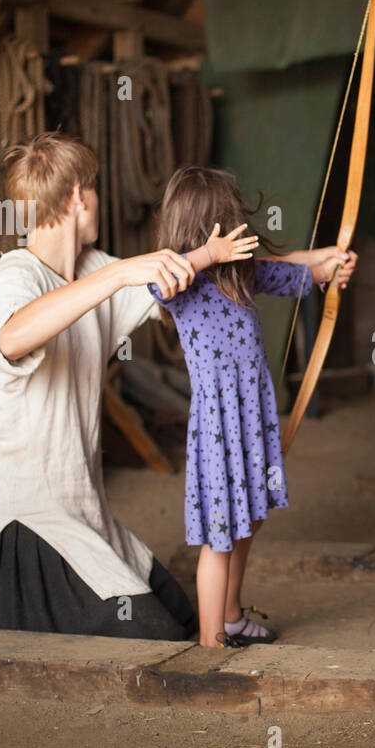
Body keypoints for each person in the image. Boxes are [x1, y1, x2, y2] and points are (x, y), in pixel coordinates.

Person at [0, 133, 255, 639]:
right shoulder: (14, 276)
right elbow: (13, 336)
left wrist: (223, 258)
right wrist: (121, 276)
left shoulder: (94, 267)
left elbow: (163, 289)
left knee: (187, 618)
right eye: (94, 187)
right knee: (160, 643)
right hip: (20, 521)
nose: (97, 199)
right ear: (76, 197)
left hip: (83, 512)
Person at [150, 166, 356, 648]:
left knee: (249, 518)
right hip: (219, 424)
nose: (239, 229)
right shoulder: (178, 281)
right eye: (229, 221)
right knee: (219, 535)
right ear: (207, 229)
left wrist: (329, 264)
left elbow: (290, 272)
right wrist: (206, 255)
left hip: (251, 418)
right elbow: (160, 283)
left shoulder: (240, 273)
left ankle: (232, 615)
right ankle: (210, 642)